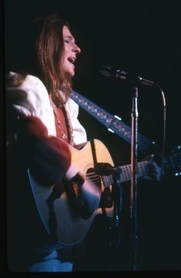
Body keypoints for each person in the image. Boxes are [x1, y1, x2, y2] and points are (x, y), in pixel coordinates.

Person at [6, 14, 161, 272]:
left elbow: (88, 171)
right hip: (27, 249)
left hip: (58, 249)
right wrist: (80, 180)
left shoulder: (69, 104)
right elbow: (34, 142)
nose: (78, 49)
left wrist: (136, 173)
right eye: (68, 41)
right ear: (47, 46)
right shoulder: (28, 86)